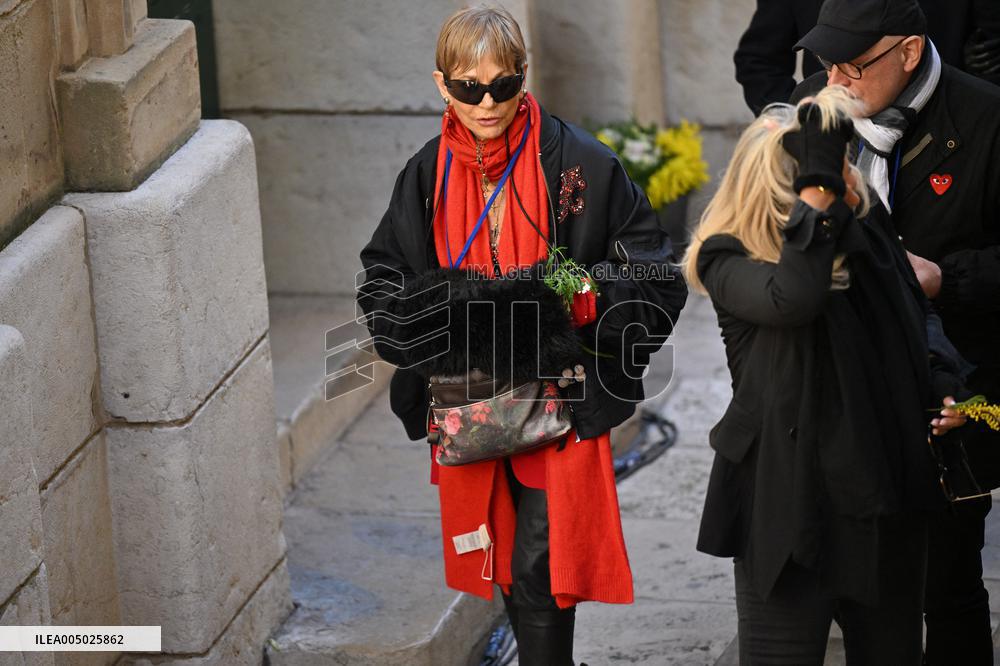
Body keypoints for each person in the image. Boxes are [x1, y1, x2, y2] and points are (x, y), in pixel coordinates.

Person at [356, 6, 687, 665]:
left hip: (559, 404)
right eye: (468, 87)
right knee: (501, 560)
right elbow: (380, 280)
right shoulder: (424, 176)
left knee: (540, 565)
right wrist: (434, 319)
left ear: (523, 77)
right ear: (441, 85)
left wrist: (580, 308)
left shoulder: (585, 164)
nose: (487, 102)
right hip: (465, 403)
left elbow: (658, 273)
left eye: (502, 85)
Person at [683, 86, 969, 663]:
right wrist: (820, 194)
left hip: (878, 491)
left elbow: (917, 313)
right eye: (826, 172)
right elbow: (795, 297)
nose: (845, 180)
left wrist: (942, 377)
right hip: (785, 507)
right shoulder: (725, 257)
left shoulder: (864, 229)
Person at [791, 0, 1000, 660]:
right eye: (828, 62)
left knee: (950, 580)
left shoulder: (987, 116)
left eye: (854, 64)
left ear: (909, 52)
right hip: (845, 388)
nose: (837, 81)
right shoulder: (810, 108)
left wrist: (945, 277)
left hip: (955, 389)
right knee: (862, 587)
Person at [734, 0, 980, 116]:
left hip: (944, 128)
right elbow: (758, 60)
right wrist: (800, 124)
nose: (836, 79)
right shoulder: (830, 87)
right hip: (838, 128)